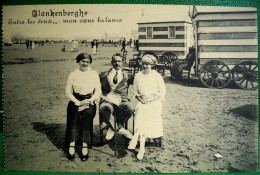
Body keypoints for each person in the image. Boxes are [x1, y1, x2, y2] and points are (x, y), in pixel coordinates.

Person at [128, 54, 166, 160]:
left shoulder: (157, 76)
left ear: (152, 65)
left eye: (147, 64)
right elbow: (135, 93)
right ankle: (141, 147)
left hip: (155, 102)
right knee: (141, 109)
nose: (145, 66)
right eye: (143, 64)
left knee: (145, 112)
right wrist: (142, 100)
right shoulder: (138, 76)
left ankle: (137, 139)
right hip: (142, 102)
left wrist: (150, 100)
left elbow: (162, 92)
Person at [65, 53, 101, 161]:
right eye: (83, 61)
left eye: (87, 61)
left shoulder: (94, 74)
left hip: (89, 101)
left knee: (87, 116)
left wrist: (90, 100)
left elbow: (98, 91)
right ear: (78, 62)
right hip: (76, 101)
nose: (85, 63)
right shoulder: (73, 74)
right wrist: (77, 102)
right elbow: (68, 91)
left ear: (90, 63)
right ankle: (72, 144)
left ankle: (85, 145)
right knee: (74, 117)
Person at [99, 53, 135, 141]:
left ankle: (113, 127)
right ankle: (120, 128)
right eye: (114, 61)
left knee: (130, 108)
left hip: (122, 101)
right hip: (108, 101)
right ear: (111, 62)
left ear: (122, 62)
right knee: (103, 108)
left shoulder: (128, 76)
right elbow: (95, 87)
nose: (117, 63)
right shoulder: (103, 75)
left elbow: (140, 86)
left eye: (119, 61)